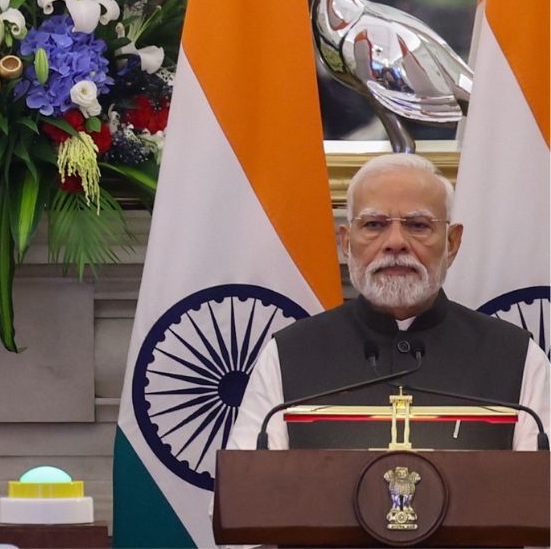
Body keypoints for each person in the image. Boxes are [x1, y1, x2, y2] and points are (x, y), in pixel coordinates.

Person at [228, 153, 550, 450]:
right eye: (374, 225)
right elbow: (245, 500)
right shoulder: (288, 355)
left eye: (418, 225)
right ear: (346, 243)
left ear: (452, 244)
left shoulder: (516, 358)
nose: (395, 243)